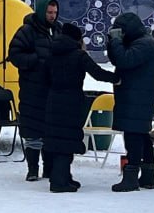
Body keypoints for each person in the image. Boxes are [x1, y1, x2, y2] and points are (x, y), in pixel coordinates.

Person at [44, 24, 118, 193]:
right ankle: (59, 182)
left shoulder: (52, 53)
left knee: (58, 138)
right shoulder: (79, 55)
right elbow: (97, 73)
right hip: (71, 101)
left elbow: (44, 77)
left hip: (53, 100)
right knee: (67, 140)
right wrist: (117, 78)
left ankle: (64, 177)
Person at [105, 13, 154, 192]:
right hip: (136, 96)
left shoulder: (145, 44)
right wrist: (112, 42)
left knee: (133, 136)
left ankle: (131, 176)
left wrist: (116, 41)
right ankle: (148, 176)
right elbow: (117, 59)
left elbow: (124, 60)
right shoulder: (140, 42)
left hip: (137, 98)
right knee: (141, 135)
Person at [8, 0, 60, 181]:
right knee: (32, 131)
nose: (52, 16)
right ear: (41, 11)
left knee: (49, 131)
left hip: (52, 90)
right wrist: (36, 60)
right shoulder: (27, 31)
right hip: (32, 89)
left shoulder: (58, 30)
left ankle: (48, 169)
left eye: (55, 13)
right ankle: (32, 169)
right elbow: (14, 54)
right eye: (49, 12)